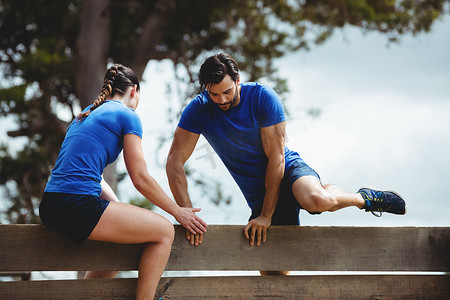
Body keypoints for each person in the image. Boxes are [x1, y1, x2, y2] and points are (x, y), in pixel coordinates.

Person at [165, 53, 406, 251]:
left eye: (227, 91)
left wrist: (267, 216)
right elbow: (174, 161)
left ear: (237, 80)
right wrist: (187, 214)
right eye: (214, 94)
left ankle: (364, 198)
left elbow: (277, 159)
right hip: (260, 193)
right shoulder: (199, 109)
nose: (221, 100)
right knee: (274, 270)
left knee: (317, 200)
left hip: (287, 170)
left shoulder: (262, 97)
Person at [39, 64, 207, 299]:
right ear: (134, 91)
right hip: (76, 204)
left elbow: (92, 178)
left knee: (118, 246)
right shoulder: (128, 116)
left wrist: (118, 209)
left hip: (51, 204)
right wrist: (178, 212)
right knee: (165, 231)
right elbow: (140, 178)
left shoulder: (85, 114)